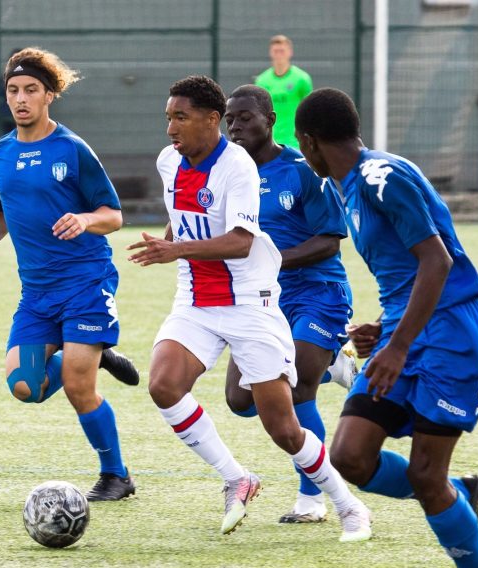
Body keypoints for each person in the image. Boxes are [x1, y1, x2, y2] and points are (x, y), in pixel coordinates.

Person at [127, 75, 370, 540]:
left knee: (284, 426)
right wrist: (170, 240)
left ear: (210, 120)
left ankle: (346, 503)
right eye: (168, 118)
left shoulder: (238, 166)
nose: (171, 129)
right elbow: (184, 217)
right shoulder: (168, 162)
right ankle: (236, 476)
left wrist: (173, 251)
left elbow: (240, 243)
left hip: (249, 304)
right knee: (163, 385)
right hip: (195, 300)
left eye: (180, 117)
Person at [295, 88, 478, 568]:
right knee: (349, 457)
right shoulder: (346, 188)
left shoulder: (382, 177)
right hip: (404, 331)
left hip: (452, 335)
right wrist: (383, 327)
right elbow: (407, 273)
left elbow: (437, 261)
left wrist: (398, 345)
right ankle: (460, 496)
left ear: (309, 141)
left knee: (425, 473)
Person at [0, 47, 140, 501]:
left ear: (49, 95)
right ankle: (91, 352)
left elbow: (113, 214)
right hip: (37, 292)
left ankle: (116, 476)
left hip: (86, 281)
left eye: (31, 89)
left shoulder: (72, 149)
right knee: (25, 387)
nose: (21, 99)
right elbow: (2, 212)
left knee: (75, 384)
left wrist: (86, 220)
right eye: (13, 90)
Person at [222, 83, 358, 525]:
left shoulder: (300, 169)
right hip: (260, 302)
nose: (236, 125)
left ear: (269, 119)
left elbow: (330, 241)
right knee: (240, 401)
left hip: (317, 293)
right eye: (230, 119)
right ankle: (334, 359)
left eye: (245, 117)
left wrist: (272, 259)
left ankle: (311, 500)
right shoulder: (227, 173)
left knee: (297, 388)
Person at [254, 35, 312, 149]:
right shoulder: (261, 81)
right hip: (270, 143)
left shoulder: (302, 79)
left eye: (282, 51)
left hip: (295, 143)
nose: (279, 54)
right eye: (276, 51)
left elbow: (309, 112)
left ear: (290, 52)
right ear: (270, 53)